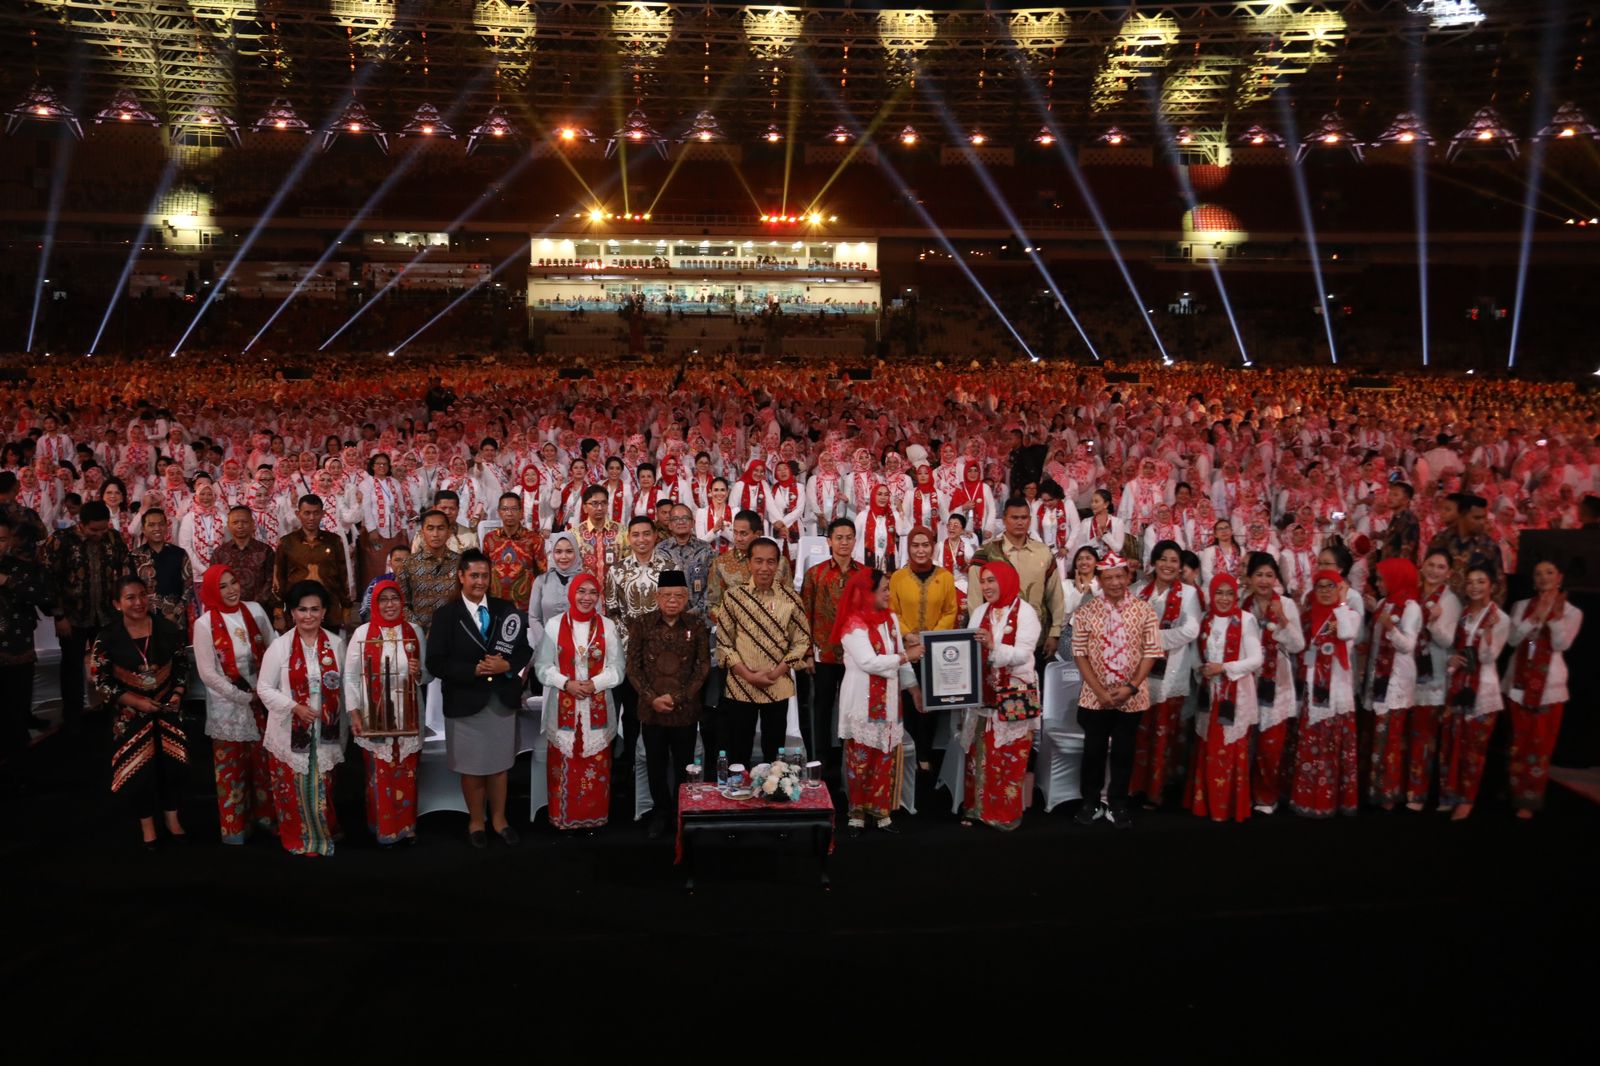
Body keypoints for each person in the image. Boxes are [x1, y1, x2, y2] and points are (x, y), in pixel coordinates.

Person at [425, 550, 533, 847]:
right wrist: (472, 669)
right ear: (460, 576)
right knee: (472, 769)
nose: (480, 581)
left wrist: (507, 665)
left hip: (500, 700)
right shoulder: (446, 615)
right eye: (474, 575)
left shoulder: (505, 609)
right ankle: (476, 821)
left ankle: (500, 819)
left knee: (499, 766)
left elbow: (523, 650)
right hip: (465, 702)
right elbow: (435, 662)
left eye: (485, 575)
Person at [92, 576, 190, 849]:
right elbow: (102, 682)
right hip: (130, 715)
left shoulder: (167, 628)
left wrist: (177, 694)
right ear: (117, 603)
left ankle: (172, 819)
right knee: (140, 772)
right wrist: (137, 703)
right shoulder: (107, 637)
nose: (138, 602)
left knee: (172, 768)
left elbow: (182, 666)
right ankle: (147, 826)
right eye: (130, 597)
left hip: (168, 708)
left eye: (142, 595)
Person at [256, 580, 348, 857]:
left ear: (324, 612)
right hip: (289, 730)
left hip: (326, 730)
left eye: (314, 609)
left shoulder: (337, 644)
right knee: (293, 788)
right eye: (301, 610)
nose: (308, 616)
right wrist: (294, 706)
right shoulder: (280, 647)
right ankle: (300, 838)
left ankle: (322, 830)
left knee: (321, 784)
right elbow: (264, 688)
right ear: (291, 613)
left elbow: (347, 685)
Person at [1071, 551, 1162, 829]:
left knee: (1124, 751)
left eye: (1119, 576)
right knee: (1093, 751)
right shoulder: (1085, 611)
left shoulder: (1144, 610)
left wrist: (1131, 687)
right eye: (1108, 577)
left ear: (1128, 577)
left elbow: (1152, 651)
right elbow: (1079, 654)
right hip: (1094, 696)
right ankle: (1090, 802)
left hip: (1131, 696)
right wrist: (1098, 691)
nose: (1114, 582)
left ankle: (1118, 803)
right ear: (1099, 580)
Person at [534, 572, 623, 831]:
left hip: (597, 708)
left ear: (598, 596)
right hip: (564, 707)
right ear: (572, 593)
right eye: (581, 591)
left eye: (592, 592)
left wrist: (595, 684)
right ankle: (564, 821)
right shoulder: (553, 625)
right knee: (564, 767)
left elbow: (618, 668)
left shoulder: (607, 626)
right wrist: (567, 684)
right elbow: (542, 667)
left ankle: (593, 820)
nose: (586, 597)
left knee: (595, 768)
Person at [835, 567, 922, 835]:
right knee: (860, 760)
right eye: (884, 588)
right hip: (862, 701)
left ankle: (881, 810)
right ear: (867, 593)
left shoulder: (889, 619)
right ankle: (857, 813)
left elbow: (896, 655)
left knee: (886, 756)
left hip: (889, 700)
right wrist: (906, 657)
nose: (888, 593)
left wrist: (913, 688)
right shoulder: (852, 624)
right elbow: (868, 662)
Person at [192, 565, 275, 844]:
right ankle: (235, 828)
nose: (231, 590)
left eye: (234, 582)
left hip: (262, 702)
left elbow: (273, 648)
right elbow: (208, 674)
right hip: (228, 708)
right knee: (231, 770)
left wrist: (266, 690)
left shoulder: (255, 610)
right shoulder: (204, 624)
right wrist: (242, 696)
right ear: (213, 591)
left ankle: (266, 818)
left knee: (264, 765)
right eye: (223, 586)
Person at [625, 570, 711, 838]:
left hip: (684, 710)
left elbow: (703, 667)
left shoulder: (696, 625)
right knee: (655, 764)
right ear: (657, 596)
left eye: (678, 595)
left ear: (686, 597)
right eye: (666, 595)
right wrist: (652, 698)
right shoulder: (642, 623)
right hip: (651, 711)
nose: (672, 601)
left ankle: (681, 812)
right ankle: (661, 813)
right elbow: (633, 667)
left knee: (685, 764)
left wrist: (679, 698)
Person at [344, 579, 429, 846]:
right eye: (383, 599)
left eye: (394, 598)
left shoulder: (413, 630)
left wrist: (419, 672)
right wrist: (353, 712)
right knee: (379, 771)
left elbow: (426, 675)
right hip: (375, 714)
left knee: (407, 769)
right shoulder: (363, 633)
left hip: (408, 713)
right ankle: (385, 828)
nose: (390, 604)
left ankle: (406, 826)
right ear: (375, 603)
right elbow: (350, 676)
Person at [958, 559, 1041, 830]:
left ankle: (1002, 814)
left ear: (1006, 580)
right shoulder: (980, 611)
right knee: (979, 752)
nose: (986, 586)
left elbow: (1023, 654)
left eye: (992, 580)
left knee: (1008, 754)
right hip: (984, 694)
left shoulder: (1026, 613)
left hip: (1015, 694)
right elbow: (969, 650)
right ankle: (976, 808)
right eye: (983, 581)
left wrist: (994, 646)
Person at [718, 536, 812, 770]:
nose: (764, 568)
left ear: (779, 564)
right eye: (758, 561)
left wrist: (779, 671)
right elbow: (724, 643)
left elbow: (802, 641)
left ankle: (773, 799)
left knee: (775, 755)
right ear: (749, 563)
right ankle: (738, 799)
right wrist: (748, 675)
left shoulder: (791, 598)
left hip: (777, 685)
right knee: (738, 753)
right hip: (740, 686)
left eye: (771, 562)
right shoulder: (733, 597)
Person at [1502, 559, 1583, 819]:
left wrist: (1554, 618)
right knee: (1517, 743)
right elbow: (1513, 639)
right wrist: (1534, 618)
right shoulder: (1521, 606)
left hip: (1549, 689)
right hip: (1518, 684)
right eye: (1538, 573)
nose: (1544, 577)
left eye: (1549, 572)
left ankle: (1530, 798)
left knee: (1539, 746)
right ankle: (1514, 789)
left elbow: (1561, 644)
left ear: (1559, 577)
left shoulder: (1571, 611)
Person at [43, 500, 129, 735]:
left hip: (106, 615)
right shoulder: (60, 540)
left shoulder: (114, 538)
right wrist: (58, 616)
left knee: (110, 665)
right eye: (94, 530)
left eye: (103, 529)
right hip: (73, 617)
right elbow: (50, 581)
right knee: (71, 667)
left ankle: (111, 713)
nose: (100, 534)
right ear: (81, 524)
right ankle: (73, 719)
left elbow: (124, 571)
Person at [1130, 540, 1202, 808]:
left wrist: (1152, 638)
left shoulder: (1190, 595)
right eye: (1164, 559)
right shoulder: (1139, 592)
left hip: (1172, 674)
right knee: (1138, 733)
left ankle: (1156, 792)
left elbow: (1191, 630)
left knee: (1162, 735)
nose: (1168, 565)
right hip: (1139, 674)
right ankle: (1134, 787)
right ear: (1155, 562)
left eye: (1174, 560)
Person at [1188, 573, 1263, 823]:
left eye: (1229, 593)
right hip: (1210, 696)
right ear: (1211, 594)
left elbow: (1256, 659)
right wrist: (1202, 669)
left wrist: (1223, 668)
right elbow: (1194, 655)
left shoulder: (1246, 619)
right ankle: (1208, 806)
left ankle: (1230, 808)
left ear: (1236, 595)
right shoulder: (1204, 619)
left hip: (1235, 696)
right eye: (1218, 593)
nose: (1223, 598)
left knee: (1231, 751)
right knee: (1208, 748)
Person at [1439, 566, 1510, 820]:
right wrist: (1453, 662)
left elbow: (1488, 656)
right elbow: (1457, 648)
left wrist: (1489, 631)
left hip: (1483, 691)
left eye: (1481, 581)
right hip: (1460, 685)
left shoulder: (1500, 618)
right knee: (1453, 741)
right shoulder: (1464, 614)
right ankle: (1450, 793)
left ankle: (1467, 798)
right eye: (1470, 582)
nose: (1475, 587)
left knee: (1474, 747)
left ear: (1492, 585)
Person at [887, 526, 959, 773]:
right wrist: (908, 635)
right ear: (908, 548)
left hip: (935, 651)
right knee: (907, 702)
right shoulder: (898, 577)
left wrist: (931, 638)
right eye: (915, 545)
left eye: (925, 545)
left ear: (933, 547)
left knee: (930, 704)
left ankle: (925, 753)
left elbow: (951, 610)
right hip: (906, 649)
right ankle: (908, 753)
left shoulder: (945, 576)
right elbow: (892, 611)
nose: (920, 550)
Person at [1292, 569, 1362, 818]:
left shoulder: (1349, 615)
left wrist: (1341, 602)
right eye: (1320, 586)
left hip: (1338, 690)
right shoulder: (1308, 616)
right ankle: (1311, 800)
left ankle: (1335, 801)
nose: (1324, 591)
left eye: (1330, 586)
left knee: (1334, 746)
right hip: (1314, 689)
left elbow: (1345, 634)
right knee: (1313, 746)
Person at [966, 496, 1067, 664]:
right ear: (1004, 519)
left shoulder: (1043, 552)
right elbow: (975, 598)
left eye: (1024, 518)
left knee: (1034, 686)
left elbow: (1055, 595)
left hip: (1037, 638)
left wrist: (1055, 633)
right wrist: (980, 632)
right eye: (1014, 517)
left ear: (1030, 520)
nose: (1020, 522)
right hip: (996, 639)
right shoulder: (987, 553)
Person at [800, 517, 860, 781]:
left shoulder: (864, 576)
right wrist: (806, 653)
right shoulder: (816, 574)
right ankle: (820, 764)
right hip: (823, 654)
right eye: (839, 537)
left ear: (855, 540)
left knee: (853, 712)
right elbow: (805, 616)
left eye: (848, 537)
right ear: (829, 541)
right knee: (821, 710)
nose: (844, 542)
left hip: (857, 657)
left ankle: (853, 765)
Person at [1244, 553, 1304, 814]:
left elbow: (1298, 645)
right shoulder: (1241, 603)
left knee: (1271, 745)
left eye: (1269, 575)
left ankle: (1267, 797)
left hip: (1277, 682)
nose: (1264, 580)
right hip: (1246, 682)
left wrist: (1283, 620)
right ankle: (1242, 793)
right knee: (1244, 743)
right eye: (1259, 574)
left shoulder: (1287, 605)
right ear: (1249, 578)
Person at [1364, 558, 1424, 811]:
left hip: (1396, 680)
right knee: (1377, 736)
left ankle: (1388, 792)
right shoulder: (1383, 604)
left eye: (1381, 579)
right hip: (1378, 677)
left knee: (1391, 737)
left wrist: (1390, 628)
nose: (1378, 584)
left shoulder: (1411, 607)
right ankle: (1375, 789)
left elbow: (1408, 646)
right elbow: (1373, 642)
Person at [1407, 550, 1461, 811]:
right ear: (1422, 566)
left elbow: (1449, 641)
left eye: (1441, 567)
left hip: (1435, 674)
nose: (1435, 571)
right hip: (1410, 670)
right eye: (1431, 565)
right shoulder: (1413, 592)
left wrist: (1434, 621)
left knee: (1429, 736)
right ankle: (1412, 789)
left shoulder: (1449, 600)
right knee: (1414, 735)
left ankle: (1424, 793)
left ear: (1449, 572)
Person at [0, 517, 49, 755]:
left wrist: (7, 581)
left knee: (17, 710)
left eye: (1, 539)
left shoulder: (20, 567)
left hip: (18, 649)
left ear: (10, 540)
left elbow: (42, 597)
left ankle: (19, 768)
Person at [274, 495, 352, 629]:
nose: (311, 518)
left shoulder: (334, 541)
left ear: (323, 514)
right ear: (298, 514)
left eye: (316, 513)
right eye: (307, 513)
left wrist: (346, 606)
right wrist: (278, 610)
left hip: (328, 609)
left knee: (329, 647)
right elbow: (279, 577)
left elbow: (343, 575)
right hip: (297, 609)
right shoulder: (287, 542)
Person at [126, 508, 193, 632]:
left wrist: (176, 614)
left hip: (176, 622)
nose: (157, 528)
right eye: (151, 525)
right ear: (143, 529)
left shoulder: (179, 554)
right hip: (144, 622)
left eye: (161, 524)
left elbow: (188, 587)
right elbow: (129, 590)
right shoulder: (134, 557)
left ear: (167, 527)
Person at [482, 491, 547, 608]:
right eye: (505, 509)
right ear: (499, 512)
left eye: (514, 509)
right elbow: (484, 570)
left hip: (524, 606)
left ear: (521, 512)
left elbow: (543, 573)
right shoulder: (490, 538)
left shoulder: (534, 539)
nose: (509, 513)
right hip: (495, 604)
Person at [211, 505, 278, 618]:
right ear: (228, 525)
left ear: (253, 524)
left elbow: (271, 580)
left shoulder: (265, 551)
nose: (240, 526)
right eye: (235, 522)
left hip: (259, 612)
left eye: (244, 522)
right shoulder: (219, 553)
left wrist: (255, 605)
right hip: (228, 613)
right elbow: (214, 583)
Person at [657, 503, 714, 617]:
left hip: (700, 617)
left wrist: (697, 610)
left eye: (685, 518)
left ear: (693, 523)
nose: (681, 522)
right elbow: (657, 585)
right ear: (670, 525)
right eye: (676, 519)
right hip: (669, 616)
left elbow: (712, 585)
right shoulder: (660, 550)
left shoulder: (705, 549)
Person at [572, 483, 627, 585]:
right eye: (594, 503)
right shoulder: (574, 534)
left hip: (616, 594)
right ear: (584, 507)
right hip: (586, 596)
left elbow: (631, 562)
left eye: (604, 503)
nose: (600, 508)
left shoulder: (622, 531)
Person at [531, 531, 582, 631]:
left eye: (569, 551)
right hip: (548, 642)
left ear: (576, 552)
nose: (564, 557)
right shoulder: (541, 581)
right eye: (558, 552)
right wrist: (544, 642)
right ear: (552, 554)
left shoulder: (586, 581)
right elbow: (534, 618)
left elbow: (595, 616)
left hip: (579, 644)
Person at [358, 544, 410, 624]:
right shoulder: (377, 582)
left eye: (406, 560)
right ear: (390, 563)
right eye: (397, 560)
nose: (401, 564)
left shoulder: (420, 584)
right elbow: (365, 611)